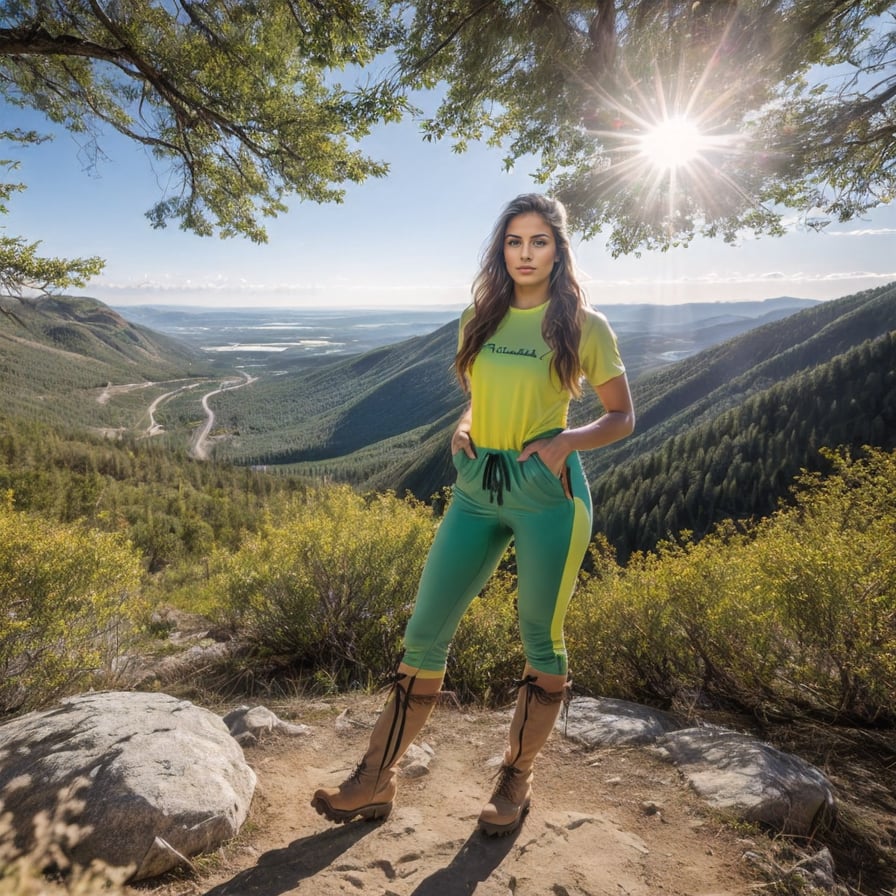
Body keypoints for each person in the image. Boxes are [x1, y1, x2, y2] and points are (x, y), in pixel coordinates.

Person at [312, 193, 635, 836]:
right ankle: (375, 779)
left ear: (558, 248)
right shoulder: (478, 317)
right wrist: (463, 426)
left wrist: (567, 441)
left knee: (541, 638)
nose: (525, 253)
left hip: (547, 494)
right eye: (514, 241)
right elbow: (480, 393)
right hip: (475, 487)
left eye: (539, 241)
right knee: (425, 632)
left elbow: (622, 416)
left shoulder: (583, 325)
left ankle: (516, 782)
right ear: (501, 248)